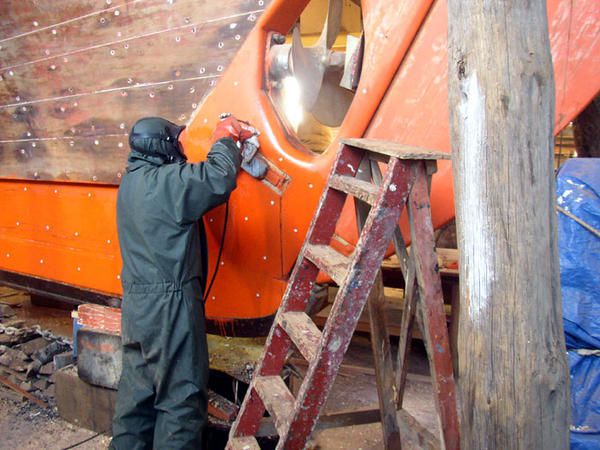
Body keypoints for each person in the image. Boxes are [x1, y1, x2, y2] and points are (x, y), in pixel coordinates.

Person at [110, 115, 254, 449]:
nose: (181, 149)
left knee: (137, 397)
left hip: (136, 306)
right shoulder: (166, 184)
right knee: (181, 400)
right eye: (178, 143)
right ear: (163, 146)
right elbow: (217, 177)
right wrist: (225, 137)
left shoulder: (131, 181)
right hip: (169, 305)